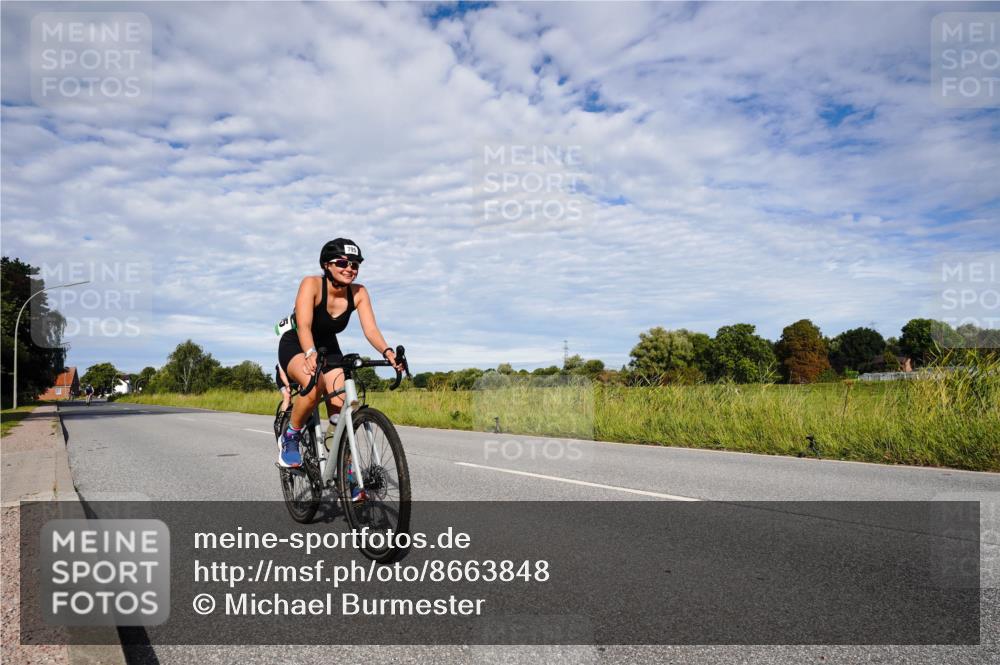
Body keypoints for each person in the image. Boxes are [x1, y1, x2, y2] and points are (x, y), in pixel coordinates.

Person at [277, 239, 403, 500]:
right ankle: (291, 435)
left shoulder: (359, 292)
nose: (350, 268)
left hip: (329, 346)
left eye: (355, 264)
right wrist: (310, 353)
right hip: (297, 342)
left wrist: (388, 353)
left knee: (342, 402)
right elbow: (304, 325)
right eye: (343, 263)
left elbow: (370, 330)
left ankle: (343, 468)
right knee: (313, 387)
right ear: (327, 265)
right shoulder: (311, 284)